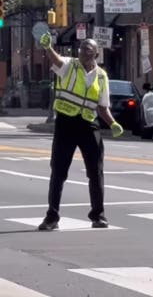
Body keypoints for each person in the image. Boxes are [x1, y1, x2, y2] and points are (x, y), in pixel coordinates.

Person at [37, 32, 124, 231]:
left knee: (96, 172)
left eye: (88, 50)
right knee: (58, 172)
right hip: (66, 123)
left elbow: (102, 106)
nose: (84, 52)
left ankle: (98, 216)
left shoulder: (101, 76)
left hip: (88, 125)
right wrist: (48, 48)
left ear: (96, 54)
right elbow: (57, 61)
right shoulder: (70, 65)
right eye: (82, 49)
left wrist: (112, 123)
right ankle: (52, 217)